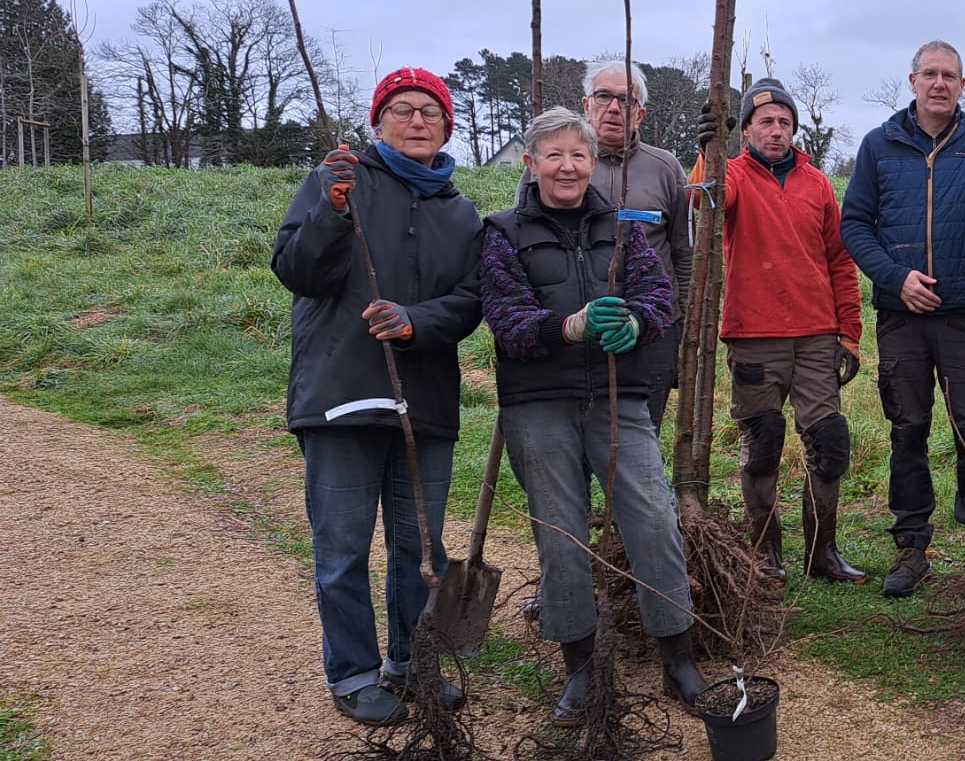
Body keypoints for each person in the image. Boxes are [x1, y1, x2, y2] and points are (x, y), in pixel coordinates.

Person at [272, 67, 484, 725]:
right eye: (402, 110)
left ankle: (410, 664)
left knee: (421, 551)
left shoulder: (461, 211)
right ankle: (354, 672)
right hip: (340, 395)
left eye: (430, 111)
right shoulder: (339, 181)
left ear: (448, 126)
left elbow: (471, 301)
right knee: (342, 549)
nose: (417, 121)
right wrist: (334, 214)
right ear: (378, 122)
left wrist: (418, 322)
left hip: (423, 401)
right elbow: (297, 272)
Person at [480, 107, 707, 722]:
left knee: (653, 522)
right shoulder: (502, 233)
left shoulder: (622, 229)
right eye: (553, 155)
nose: (567, 166)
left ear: (591, 166)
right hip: (538, 405)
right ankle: (580, 669)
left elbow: (659, 295)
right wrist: (568, 327)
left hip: (618, 397)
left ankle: (678, 660)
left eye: (577, 155)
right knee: (561, 534)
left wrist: (637, 321)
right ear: (530, 165)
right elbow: (505, 323)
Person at [839, 40, 965, 598]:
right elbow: (854, 224)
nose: (938, 83)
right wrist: (895, 278)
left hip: (964, 318)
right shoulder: (879, 147)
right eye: (929, 74)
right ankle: (912, 547)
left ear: (962, 85)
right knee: (906, 429)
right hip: (901, 316)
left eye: (949, 75)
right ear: (912, 81)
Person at [709, 77, 868, 586]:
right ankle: (765, 555)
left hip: (817, 336)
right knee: (763, 442)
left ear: (794, 129)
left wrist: (849, 332)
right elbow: (704, 203)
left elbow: (840, 260)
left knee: (829, 441)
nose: (776, 131)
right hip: (754, 337)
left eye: (784, 122)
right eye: (765, 122)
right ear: (747, 131)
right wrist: (709, 150)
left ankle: (822, 553)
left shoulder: (817, 183)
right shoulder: (732, 175)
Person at [517, 58, 694, 430]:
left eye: (625, 101)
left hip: (650, 327)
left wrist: (680, 318)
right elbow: (524, 239)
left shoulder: (666, 168)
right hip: (572, 324)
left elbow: (683, 251)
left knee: (641, 432)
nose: (614, 108)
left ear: (640, 113)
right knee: (572, 433)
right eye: (603, 97)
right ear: (586, 105)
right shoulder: (556, 168)